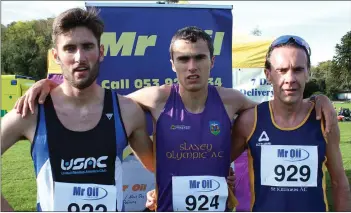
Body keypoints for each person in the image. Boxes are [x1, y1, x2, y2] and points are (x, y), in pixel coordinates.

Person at [14, 27, 337, 211]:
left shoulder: (231, 101)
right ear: (172, 63)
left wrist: (316, 99)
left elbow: (280, 105)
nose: (192, 66)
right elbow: (96, 99)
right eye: (184, 59)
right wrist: (54, 84)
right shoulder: (155, 98)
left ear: (212, 60)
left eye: (199, 57)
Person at [1, 8, 154, 212]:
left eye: (87, 46)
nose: (79, 57)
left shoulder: (126, 111)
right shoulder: (32, 111)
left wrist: (160, 189)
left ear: (101, 52)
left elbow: (157, 166)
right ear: (56, 56)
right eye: (70, 48)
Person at [230, 35, 351, 211]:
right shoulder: (250, 121)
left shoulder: (323, 120)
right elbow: (217, 162)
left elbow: (339, 182)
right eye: (282, 70)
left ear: (308, 73)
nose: (290, 78)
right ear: (268, 74)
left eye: (298, 69)